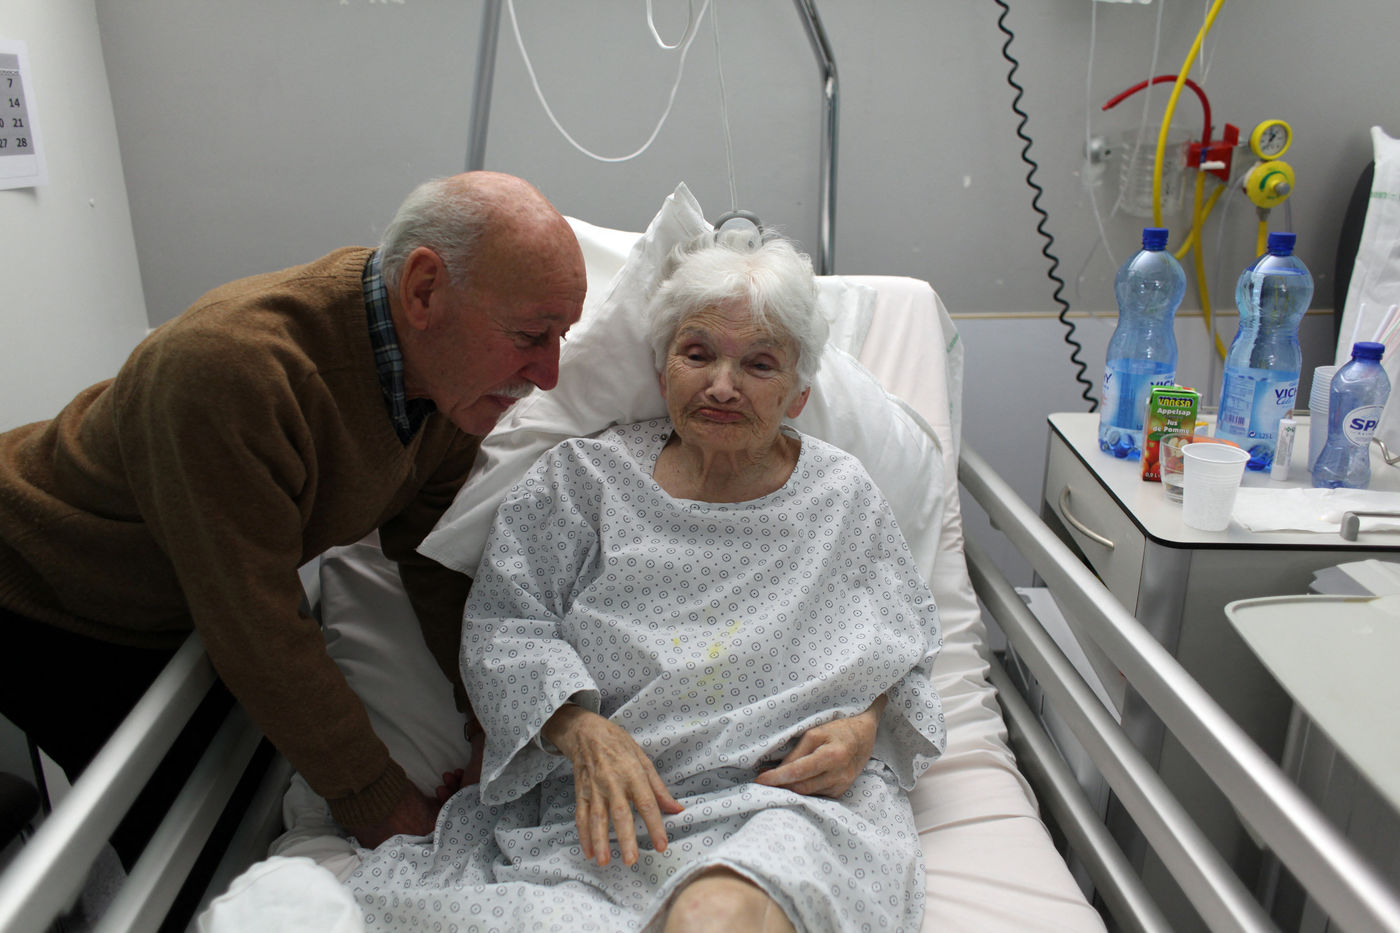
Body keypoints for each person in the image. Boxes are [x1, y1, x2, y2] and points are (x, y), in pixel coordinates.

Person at [345, 228, 946, 931]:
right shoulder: (583, 481)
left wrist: (864, 727)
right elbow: (502, 627)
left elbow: (905, 644)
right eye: (698, 354)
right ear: (663, 374)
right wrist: (577, 727)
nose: (722, 384)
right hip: (603, 807)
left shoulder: (841, 495)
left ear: (798, 394)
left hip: (787, 806)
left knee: (717, 916)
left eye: (759, 364)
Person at [0, 171, 586, 857]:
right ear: (424, 290)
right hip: (44, 582)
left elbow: (433, 559)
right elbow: (256, 620)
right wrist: (380, 802)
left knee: (258, 774)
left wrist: (490, 712)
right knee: (187, 840)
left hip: (184, 587)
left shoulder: (448, 384)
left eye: (562, 337)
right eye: (531, 335)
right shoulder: (231, 371)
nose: (547, 374)